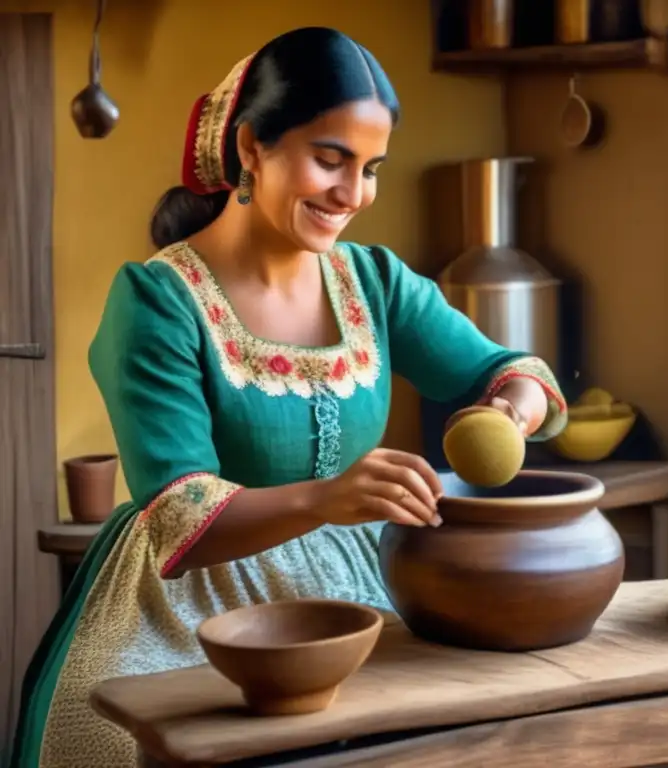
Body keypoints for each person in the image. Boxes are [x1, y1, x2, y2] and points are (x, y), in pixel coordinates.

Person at [13, 26, 566, 767]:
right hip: (188, 615)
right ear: (250, 148)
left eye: (371, 168)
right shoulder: (158, 301)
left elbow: (512, 371)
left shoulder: (373, 282)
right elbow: (181, 522)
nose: (353, 194)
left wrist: (508, 413)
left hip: (361, 594)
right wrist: (330, 498)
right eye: (330, 159)